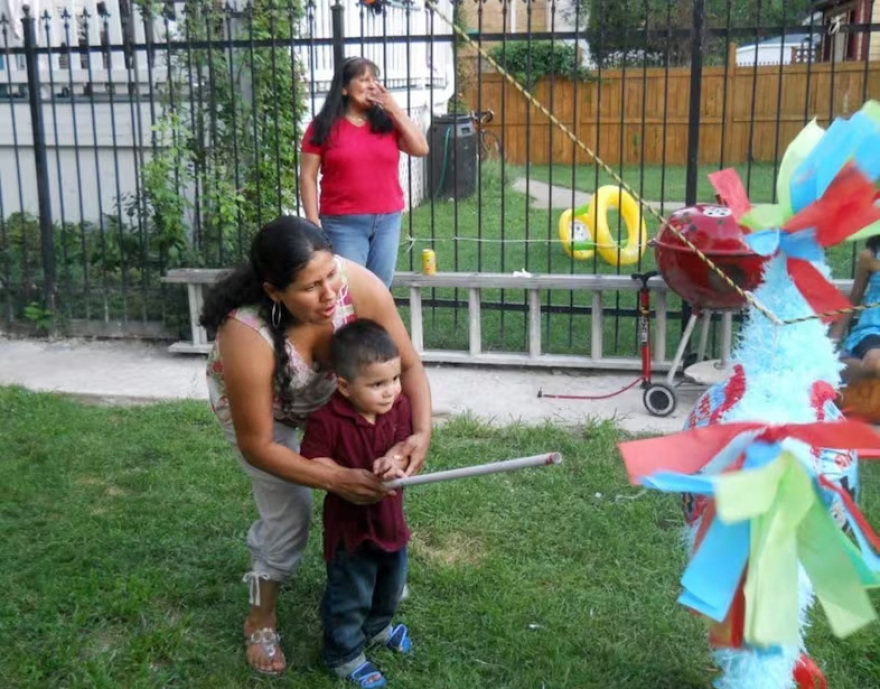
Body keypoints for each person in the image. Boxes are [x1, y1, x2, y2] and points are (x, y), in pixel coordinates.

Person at [199, 216, 432, 676]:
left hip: (337, 392)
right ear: (274, 292)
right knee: (288, 519)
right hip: (266, 416)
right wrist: (334, 477)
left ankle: (378, 579)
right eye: (310, 286)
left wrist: (417, 434)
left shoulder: (359, 287)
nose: (330, 294)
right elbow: (258, 445)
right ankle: (259, 615)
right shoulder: (246, 334)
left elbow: (407, 367)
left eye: (331, 275)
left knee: (378, 487)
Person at [300, 319, 414, 688]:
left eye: (394, 379)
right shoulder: (327, 419)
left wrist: (394, 459)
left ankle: (378, 627)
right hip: (350, 529)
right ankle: (344, 653)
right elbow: (314, 461)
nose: (390, 391)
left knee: (390, 583)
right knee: (351, 591)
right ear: (345, 386)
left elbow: (402, 445)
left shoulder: (398, 408)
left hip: (389, 521)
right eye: (377, 384)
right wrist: (343, 476)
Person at [299, 56, 429, 288]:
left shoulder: (386, 123)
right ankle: (351, 326)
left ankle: (372, 326)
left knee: (379, 288)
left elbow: (421, 148)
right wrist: (313, 221)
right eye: (364, 79)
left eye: (375, 79)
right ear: (344, 89)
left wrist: (393, 108)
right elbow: (308, 176)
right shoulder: (322, 126)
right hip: (342, 223)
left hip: (387, 219)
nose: (372, 85)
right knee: (351, 288)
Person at [832, 234, 880, 382]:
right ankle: (837, 366)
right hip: (873, 329)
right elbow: (854, 299)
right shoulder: (870, 256)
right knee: (876, 365)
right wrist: (834, 338)